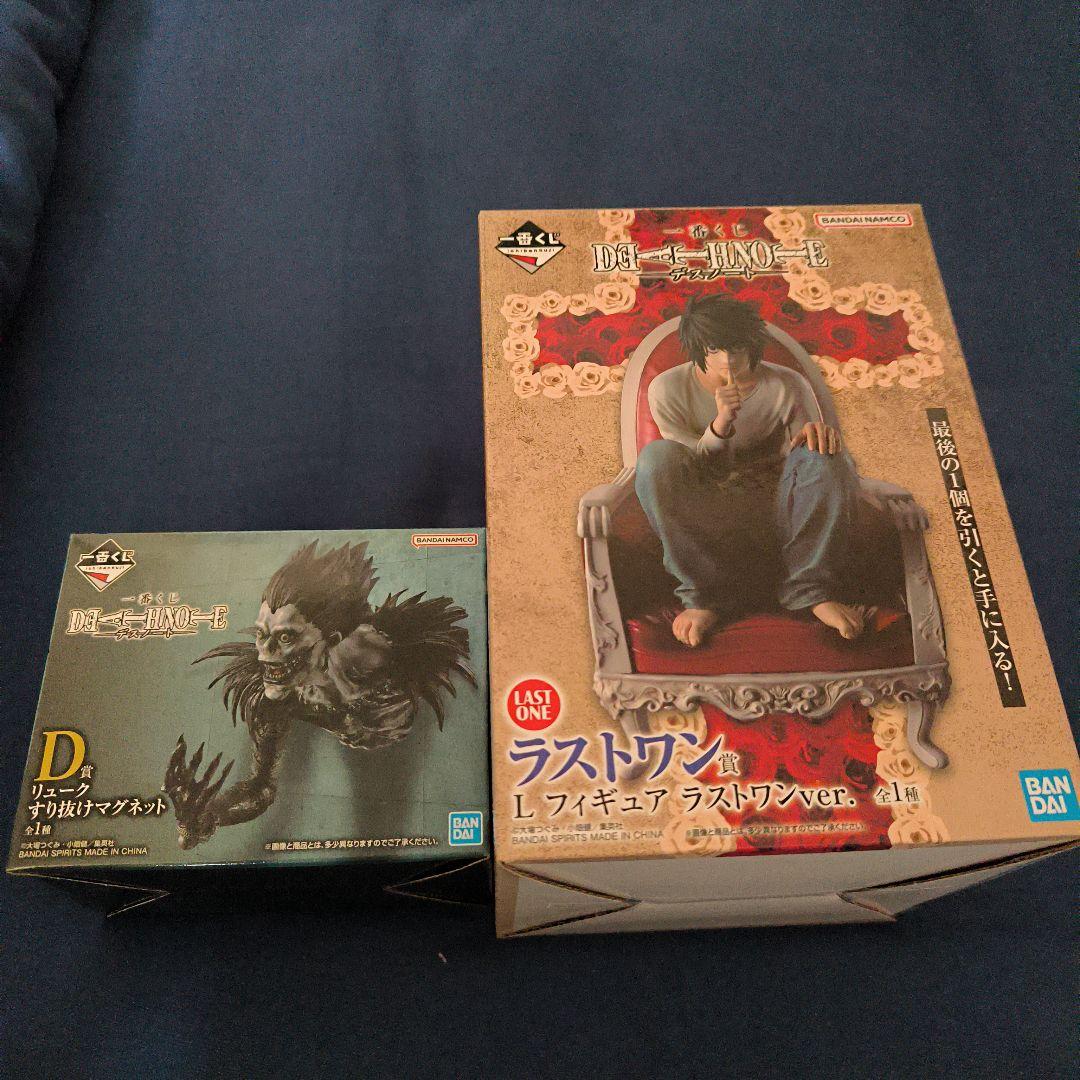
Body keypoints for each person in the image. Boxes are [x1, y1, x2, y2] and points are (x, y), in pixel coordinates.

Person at [636, 294, 871, 647]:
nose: (727, 360)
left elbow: (808, 465)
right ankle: (704, 597)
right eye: (714, 349)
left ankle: (810, 590)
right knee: (656, 457)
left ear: (752, 345)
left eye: (737, 348)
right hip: (707, 510)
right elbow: (687, 467)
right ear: (698, 347)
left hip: (777, 508)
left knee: (825, 454)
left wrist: (815, 435)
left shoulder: (787, 384)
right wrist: (722, 423)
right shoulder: (667, 388)